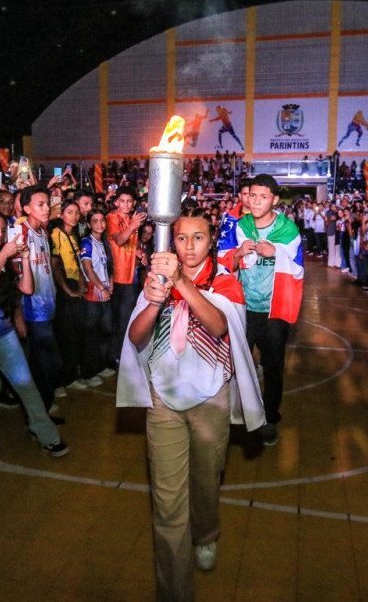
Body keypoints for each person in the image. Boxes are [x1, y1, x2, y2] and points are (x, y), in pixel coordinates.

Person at [117, 206, 264, 602]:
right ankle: (174, 591)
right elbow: (136, 337)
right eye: (181, 238)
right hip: (163, 401)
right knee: (167, 503)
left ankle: (206, 533)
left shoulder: (225, 281)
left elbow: (218, 325)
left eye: (198, 237)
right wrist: (154, 299)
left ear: (211, 240)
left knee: (206, 479)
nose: (189, 246)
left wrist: (181, 283)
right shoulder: (157, 279)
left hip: (210, 400)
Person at [0, 208, 68, 465]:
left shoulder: (6, 255)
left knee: (26, 384)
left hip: (4, 332)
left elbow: (27, 289)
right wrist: (3, 256)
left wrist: (25, 259)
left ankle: (46, 434)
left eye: (2, 229)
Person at [225, 174, 304, 446]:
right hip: (244, 308)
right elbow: (226, 263)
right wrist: (238, 253)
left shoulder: (288, 229)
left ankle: (270, 418)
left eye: (263, 197)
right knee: (237, 365)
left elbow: (298, 268)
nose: (256, 201)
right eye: (252, 195)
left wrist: (276, 252)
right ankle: (239, 414)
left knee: (273, 368)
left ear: (274, 200)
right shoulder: (241, 226)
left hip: (274, 310)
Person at [17, 185, 63, 414]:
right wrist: (17, 315)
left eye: (47, 204)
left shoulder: (42, 232)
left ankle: (40, 412)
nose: (47, 209)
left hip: (47, 307)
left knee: (43, 365)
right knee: (48, 364)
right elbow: (15, 278)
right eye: (40, 205)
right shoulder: (20, 233)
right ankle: (38, 414)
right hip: (33, 312)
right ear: (26, 208)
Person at [50, 200, 89, 392]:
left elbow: (75, 261)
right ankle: (60, 381)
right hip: (63, 289)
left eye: (76, 212)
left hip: (73, 285)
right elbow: (55, 265)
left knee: (75, 334)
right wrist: (68, 290)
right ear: (61, 214)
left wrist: (81, 281)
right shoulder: (56, 234)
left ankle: (71, 376)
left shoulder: (73, 236)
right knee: (65, 336)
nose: (74, 216)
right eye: (70, 212)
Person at [107, 187, 146, 363]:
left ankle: (122, 355)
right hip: (117, 277)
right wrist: (132, 226)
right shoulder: (112, 218)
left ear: (134, 203)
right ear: (116, 202)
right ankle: (115, 356)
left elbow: (131, 246)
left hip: (130, 276)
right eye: (122, 201)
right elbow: (119, 240)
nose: (125, 205)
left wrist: (139, 253)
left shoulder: (132, 220)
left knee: (127, 319)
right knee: (118, 320)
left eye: (129, 201)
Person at [77, 209, 115, 385]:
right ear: (89, 224)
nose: (100, 224)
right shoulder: (87, 242)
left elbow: (109, 266)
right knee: (91, 334)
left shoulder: (105, 242)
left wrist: (110, 284)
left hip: (105, 292)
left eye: (102, 220)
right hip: (93, 292)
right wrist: (101, 287)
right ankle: (88, 372)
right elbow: (87, 268)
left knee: (105, 330)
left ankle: (100, 365)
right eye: (95, 221)